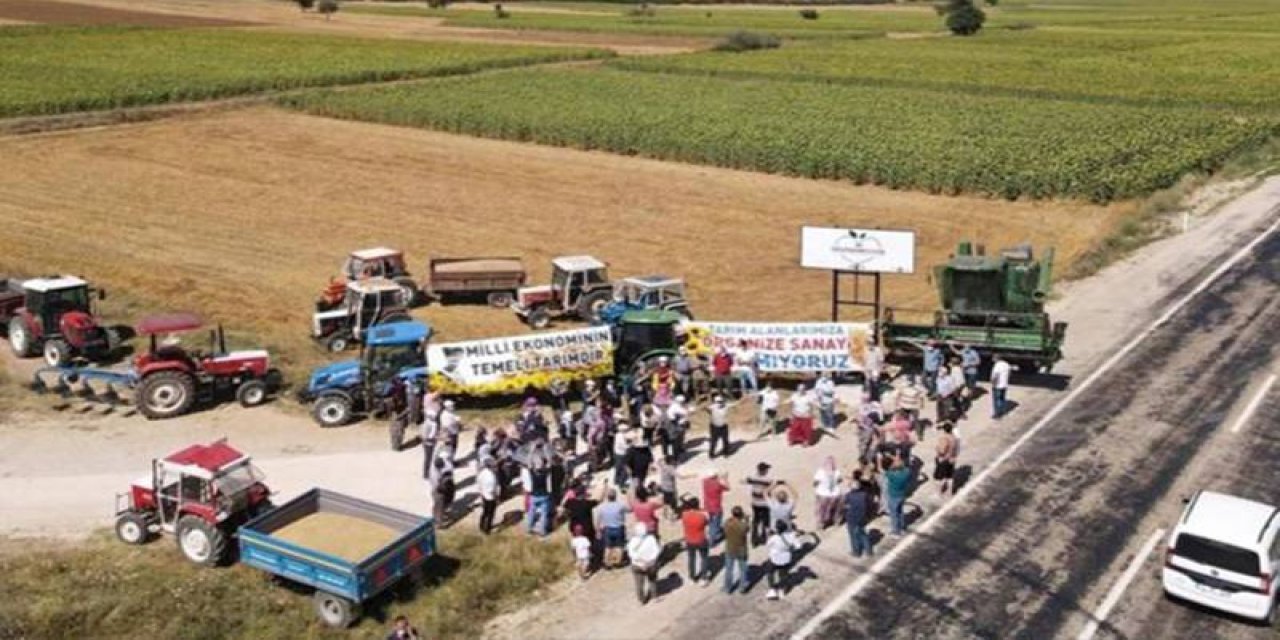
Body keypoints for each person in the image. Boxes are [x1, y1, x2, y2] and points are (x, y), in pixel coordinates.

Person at [764, 521, 801, 601]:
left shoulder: (774, 538)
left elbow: (767, 545)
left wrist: (768, 535)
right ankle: (782, 590)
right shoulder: (791, 536)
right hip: (786, 559)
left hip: (775, 559)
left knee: (770, 573)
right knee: (783, 574)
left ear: (777, 529)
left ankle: (772, 590)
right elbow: (798, 546)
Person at [628, 523, 662, 604]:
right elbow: (657, 551)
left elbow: (631, 554)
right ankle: (654, 597)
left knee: (639, 583)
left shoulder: (633, 541)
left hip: (637, 565)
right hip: (650, 564)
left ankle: (641, 600)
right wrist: (649, 561)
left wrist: (641, 561)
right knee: (652, 580)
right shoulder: (651, 539)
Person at [596, 488, 630, 569]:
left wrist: (598, 531)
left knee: (608, 546)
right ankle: (617, 562)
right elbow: (629, 510)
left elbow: (598, 519)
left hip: (607, 528)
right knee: (619, 546)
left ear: (607, 497)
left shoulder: (602, 507)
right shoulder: (620, 505)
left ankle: (607, 563)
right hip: (619, 528)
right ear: (615, 496)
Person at [682, 497, 711, 585]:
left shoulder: (684, 515)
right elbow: (707, 522)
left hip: (689, 540)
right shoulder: (702, 515)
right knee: (704, 558)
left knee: (691, 558)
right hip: (701, 539)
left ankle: (692, 577)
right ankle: (703, 578)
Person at [721, 506, 750, 594]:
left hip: (730, 549)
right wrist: (746, 520)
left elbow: (724, 526)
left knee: (729, 569)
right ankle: (742, 587)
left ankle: (727, 587)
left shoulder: (727, 523)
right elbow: (747, 529)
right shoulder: (743, 525)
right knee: (743, 569)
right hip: (741, 549)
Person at [884, 453, 912, 536]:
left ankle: (896, 531)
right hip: (902, 495)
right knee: (900, 512)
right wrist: (895, 460)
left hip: (893, 496)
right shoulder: (906, 473)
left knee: (894, 514)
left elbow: (882, 469)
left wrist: (891, 458)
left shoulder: (891, 475)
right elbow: (904, 467)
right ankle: (902, 527)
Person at [525, 457, 553, 538]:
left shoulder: (532, 473)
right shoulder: (545, 472)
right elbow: (549, 463)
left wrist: (531, 451)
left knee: (531, 513)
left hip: (534, 495)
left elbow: (529, 463)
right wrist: (546, 454)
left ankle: (529, 529)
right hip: (544, 495)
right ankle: (542, 532)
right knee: (544, 514)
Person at [843, 478, 872, 558]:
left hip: (852, 518)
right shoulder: (865, 495)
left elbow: (845, 507)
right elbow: (869, 505)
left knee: (853, 536)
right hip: (862, 517)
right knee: (863, 533)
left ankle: (856, 552)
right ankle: (868, 550)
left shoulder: (849, 495)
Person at [746, 462, 773, 546]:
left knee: (755, 521)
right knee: (765, 521)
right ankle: (764, 537)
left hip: (755, 502)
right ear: (764, 470)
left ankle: (754, 539)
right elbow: (771, 488)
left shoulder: (753, 477)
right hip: (764, 503)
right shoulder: (768, 480)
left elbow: (747, 481)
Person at [813, 456, 843, 529]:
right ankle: (836, 522)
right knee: (836, 509)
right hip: (835, 494)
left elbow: (815, 483)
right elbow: (840, 480)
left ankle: (820, 524)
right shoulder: (837, 472)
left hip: (822, 494)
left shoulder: (820, 472)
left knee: (821, 511)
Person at [702, 469, 729, 544]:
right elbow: (727, 488)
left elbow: (709, 478)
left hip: (708, 505)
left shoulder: (705, 482)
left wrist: (718, 477)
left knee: (711, 520)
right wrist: (725, 478)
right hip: (716, 507)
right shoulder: (717, 484)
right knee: (716, 523)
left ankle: (712, 533)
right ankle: (712, 540)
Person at [934, 421, 958, 497]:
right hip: (952, 459)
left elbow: (942, 450)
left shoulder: (944, 438)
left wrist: (937, 450)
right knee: (949, 476)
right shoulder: (954, 437)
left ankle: (939, 493)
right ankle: (950, 492)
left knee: (939, 477)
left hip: (944, 459)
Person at [476, 457, 499, 535]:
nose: (496, 467)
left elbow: (478, 482)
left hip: (483, 494)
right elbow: (492, 491)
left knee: (485, 512)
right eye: (494, 466)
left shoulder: (482, 472)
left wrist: (481, 492)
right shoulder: (491, 478)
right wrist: (496, 498)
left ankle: (481, 525)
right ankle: (487, 529)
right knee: (490, 514)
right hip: (490, 498)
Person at [664, 396, 690, 460]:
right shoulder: (675, 407)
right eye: (682, 402)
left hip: (679, 426)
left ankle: (679, 449)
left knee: (680, 438)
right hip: (675, 427)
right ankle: (673, 457)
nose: (683, 402)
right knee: (674, 442)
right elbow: (684, 412)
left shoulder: (677, 406)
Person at [657, 455, 680, 520]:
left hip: (664, 487)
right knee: (673, 503)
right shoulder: (671, 469)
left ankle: (664, 515)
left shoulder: (663, 466)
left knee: (665, 502)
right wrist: (692, 475)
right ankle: (672, 517)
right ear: (671, 461)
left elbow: (658, 461)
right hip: (670, 489)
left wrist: (663, 458)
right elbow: (681, 477)